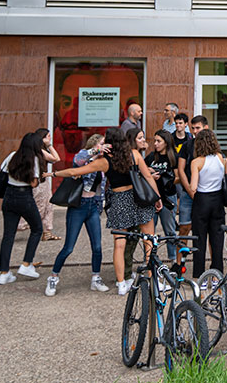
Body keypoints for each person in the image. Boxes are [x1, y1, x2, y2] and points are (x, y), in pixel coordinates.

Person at [54, 126, 160, 294]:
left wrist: (54, 174)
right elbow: (147, 177)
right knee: (149, 240)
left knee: (119, 244)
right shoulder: (135, 154)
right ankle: (151, 278)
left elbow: (76, 170)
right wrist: (157, 197)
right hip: (138, 198)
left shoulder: (104, 161)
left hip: (119, 200)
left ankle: (121, 284)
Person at [46, 133, 111, 296]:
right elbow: (77, 161)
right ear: (95, 144)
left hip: (93, 206)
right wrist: (95, 151)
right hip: (78, 206)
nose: (104, 147)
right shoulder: (85, 156)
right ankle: (53, 277)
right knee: (69, 247)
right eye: (102, 144)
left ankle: (96, 278)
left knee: (97, 246)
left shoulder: (103, 162)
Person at [0, 131, 51, 284]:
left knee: (8, 235)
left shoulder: (13, 155)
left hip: (8, 196)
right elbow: (34, 183)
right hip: (24, 196)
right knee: (37, 229)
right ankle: (26, 264)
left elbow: (3, 171)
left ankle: (4, 272)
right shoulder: (33, 159)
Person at [189, 129, 227, 278]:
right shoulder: (222, 159)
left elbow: (193, 187)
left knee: (199, 240)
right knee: (217, 240)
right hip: (218, 200)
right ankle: (217, 275)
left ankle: (199, 275)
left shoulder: (196, 162)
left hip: (202, 200)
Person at [146, 129, 180, 262]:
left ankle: (172, 258)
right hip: (152, 197)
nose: (155, 144)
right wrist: (149, 174)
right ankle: (149, 259)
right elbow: (141, 170)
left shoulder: (173, 158)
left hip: (167, 197)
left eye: (158, 141)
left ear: (166, 143)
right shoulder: (151, 157)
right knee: (149, 231)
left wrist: (166, 178)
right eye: (154, 141)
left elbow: (178, 177)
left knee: (169, 230)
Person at [173, 114, 202, 237]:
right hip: (187, 191)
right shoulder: (187, 145)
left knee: (203, 230)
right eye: (193, 128)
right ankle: (180, 256)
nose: (195, 131)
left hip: (206, 192)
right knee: (184, 228)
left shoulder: (212, 147)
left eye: (198, 128)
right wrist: (190, 190)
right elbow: (181, 169)